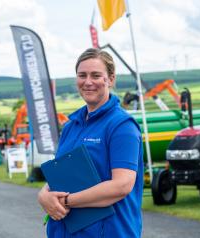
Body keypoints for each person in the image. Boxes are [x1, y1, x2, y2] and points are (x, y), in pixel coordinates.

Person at [38, 48, 144, 237]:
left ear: (110, 79)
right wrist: (44, 195)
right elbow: (61, 175)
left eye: (96, 75)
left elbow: (121, 186)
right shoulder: (72, 126)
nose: (88, 82)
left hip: (109, 231)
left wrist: (67, 201)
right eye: (82, 75)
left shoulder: (122, 126)